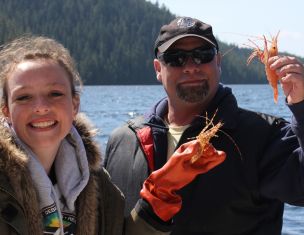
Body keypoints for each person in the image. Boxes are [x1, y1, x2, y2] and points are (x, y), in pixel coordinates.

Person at [104, 16, 304, 235]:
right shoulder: (123, 140)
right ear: (158, 69)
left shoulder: (263, 135)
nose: (190, 66)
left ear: (218, 61)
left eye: (202, 54)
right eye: (176, 58)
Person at [0, 35, 225, 234]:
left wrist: (161, 192)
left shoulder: (101, 188)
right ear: (6, 110)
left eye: (55, 93)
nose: (41, 107)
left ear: (74, 104)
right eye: (24, 97)